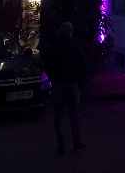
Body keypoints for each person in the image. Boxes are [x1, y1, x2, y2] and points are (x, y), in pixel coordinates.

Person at [44, 22, 86, 156]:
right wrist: (80, 81)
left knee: (58, 117)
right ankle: (76, 142)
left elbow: (48, 63)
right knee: (74, 115)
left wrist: (52, 77)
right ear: (70, 32)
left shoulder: (55, 46)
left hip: (59, 84)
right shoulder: (75, 45)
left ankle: (61, 145)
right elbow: (82, 64)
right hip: (72, 84)